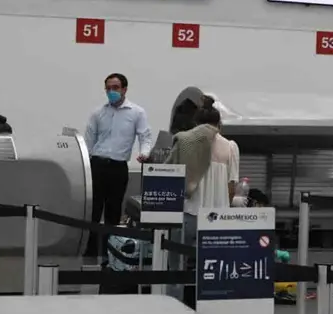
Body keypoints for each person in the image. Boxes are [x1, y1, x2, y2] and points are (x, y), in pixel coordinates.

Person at [83, 73, 153, 257]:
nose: (111, 91)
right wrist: (85, 164)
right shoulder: (98, 112)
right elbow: (89, 140)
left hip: (118, 167)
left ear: (124, 89)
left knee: (113, 211)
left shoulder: (137, 112)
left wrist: (144, 153)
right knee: (93, 210)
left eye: (115, 88)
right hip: (97, 165)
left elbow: (145, 136)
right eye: (108, 88)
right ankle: (90, 250)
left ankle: (110, 251)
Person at [167, 96, 239, 247]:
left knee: (179, 253)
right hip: (218, 217)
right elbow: (231, 187)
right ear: (219, 124)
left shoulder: (185, 142)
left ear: (195, 124)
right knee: (213, 256)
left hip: (190, 212)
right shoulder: (230, 147)